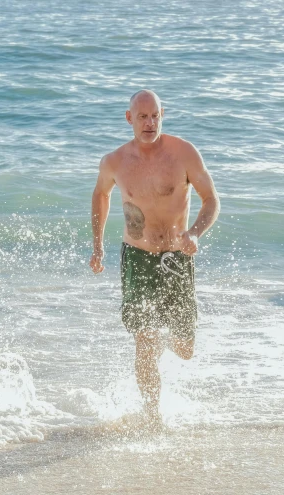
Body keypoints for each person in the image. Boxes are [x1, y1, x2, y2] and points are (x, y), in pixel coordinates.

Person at [90, 89, 220, 423]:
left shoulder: (184, 153)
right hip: (137, 256)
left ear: (163, 114)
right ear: (129, 118)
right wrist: (98, 246)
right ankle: (153, 418)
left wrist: (194, 233)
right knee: (144, 340)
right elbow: (101, 195)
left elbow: (211, 200)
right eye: (143, 116)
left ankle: (164, 341)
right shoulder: (114, 162)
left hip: (177, 258)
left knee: (185, 349)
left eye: (155, 116)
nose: (149, 123)